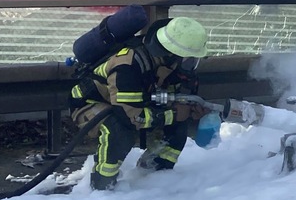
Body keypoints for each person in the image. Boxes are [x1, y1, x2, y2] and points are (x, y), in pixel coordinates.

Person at [69, 16, 212, 190]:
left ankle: (154, 176)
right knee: (118, 130)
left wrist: (188, 110)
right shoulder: (128, 65)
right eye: (189, 59)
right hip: (90, 104)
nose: (190, 65)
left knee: (178, 124)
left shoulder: (169, 64)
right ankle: (102, 186)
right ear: (170, 52)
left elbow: (174, 96)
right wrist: (172, 114)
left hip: (130, 104)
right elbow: (130, 116)